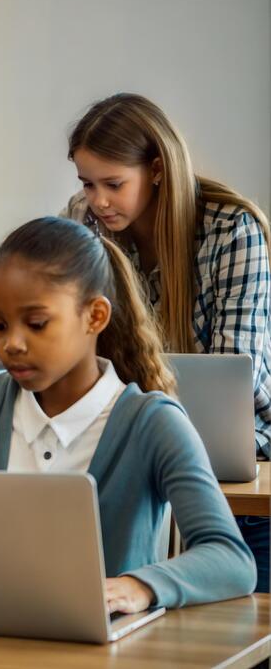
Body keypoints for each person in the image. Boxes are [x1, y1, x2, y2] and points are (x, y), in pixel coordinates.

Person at [0, 217, 255, 613]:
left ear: (95, 316)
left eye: (36, 324)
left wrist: (139, 586)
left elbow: (231, 559)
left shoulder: (153, 423)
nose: (11, 343)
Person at [64, 93, 270, 593]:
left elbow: (242, 384)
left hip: (242, 472)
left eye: (114, 184)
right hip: (129, 463)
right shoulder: (84, 227)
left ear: (157, 169)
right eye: (87, 184)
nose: (98, 201)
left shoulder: (231, 231)